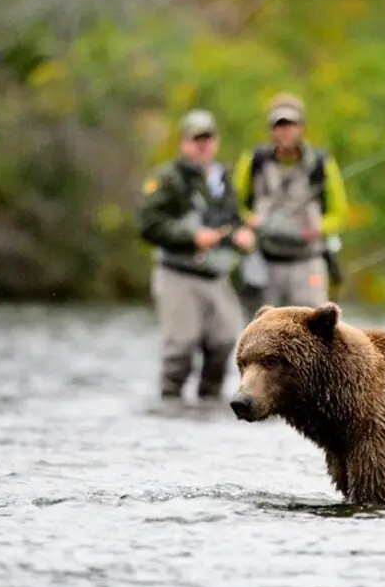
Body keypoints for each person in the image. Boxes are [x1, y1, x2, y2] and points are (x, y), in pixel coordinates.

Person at [136, 109, 256, 400]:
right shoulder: (167, 177)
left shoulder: (223, 178)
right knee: (181, 347)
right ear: (184, 142)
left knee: (226, 341)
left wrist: (242, 233)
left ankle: (208, 403)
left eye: (207, 138)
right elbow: (148, 224)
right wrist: (190, 236)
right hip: (177, 273)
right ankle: (170, 403)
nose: (202, 144)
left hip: (215, 275)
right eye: (196, 139)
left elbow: (231, 218)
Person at [233, 93, 349, 314]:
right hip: (266, 264)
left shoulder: (321, 165)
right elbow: (233, 206)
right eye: (279, 125)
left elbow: (339, 214)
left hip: (308, 262)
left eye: (291, 124)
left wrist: (318, 228)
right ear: (271, 129)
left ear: (301, 127)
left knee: (313, 332)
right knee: (264, 331)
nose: (285, 130)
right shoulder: (253, 162)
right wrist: (248, 221)